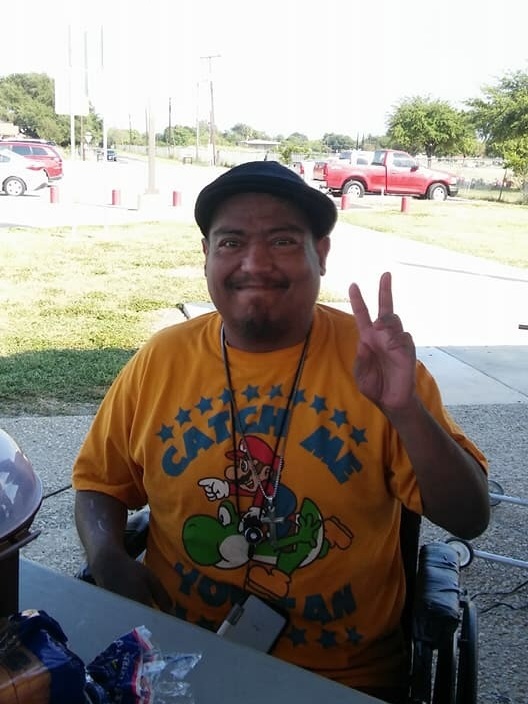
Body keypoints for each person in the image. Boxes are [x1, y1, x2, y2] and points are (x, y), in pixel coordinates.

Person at [73, 161, 489, 703]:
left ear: (322, 253)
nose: (255, 263)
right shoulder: (161, 359)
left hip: (342, 677)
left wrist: (405, 410)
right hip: (175, 659)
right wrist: (107, 556)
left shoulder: (374, 360)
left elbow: (469, 516)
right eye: (231, 242)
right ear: (206, 255)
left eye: (283, 241)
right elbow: (99, 484)